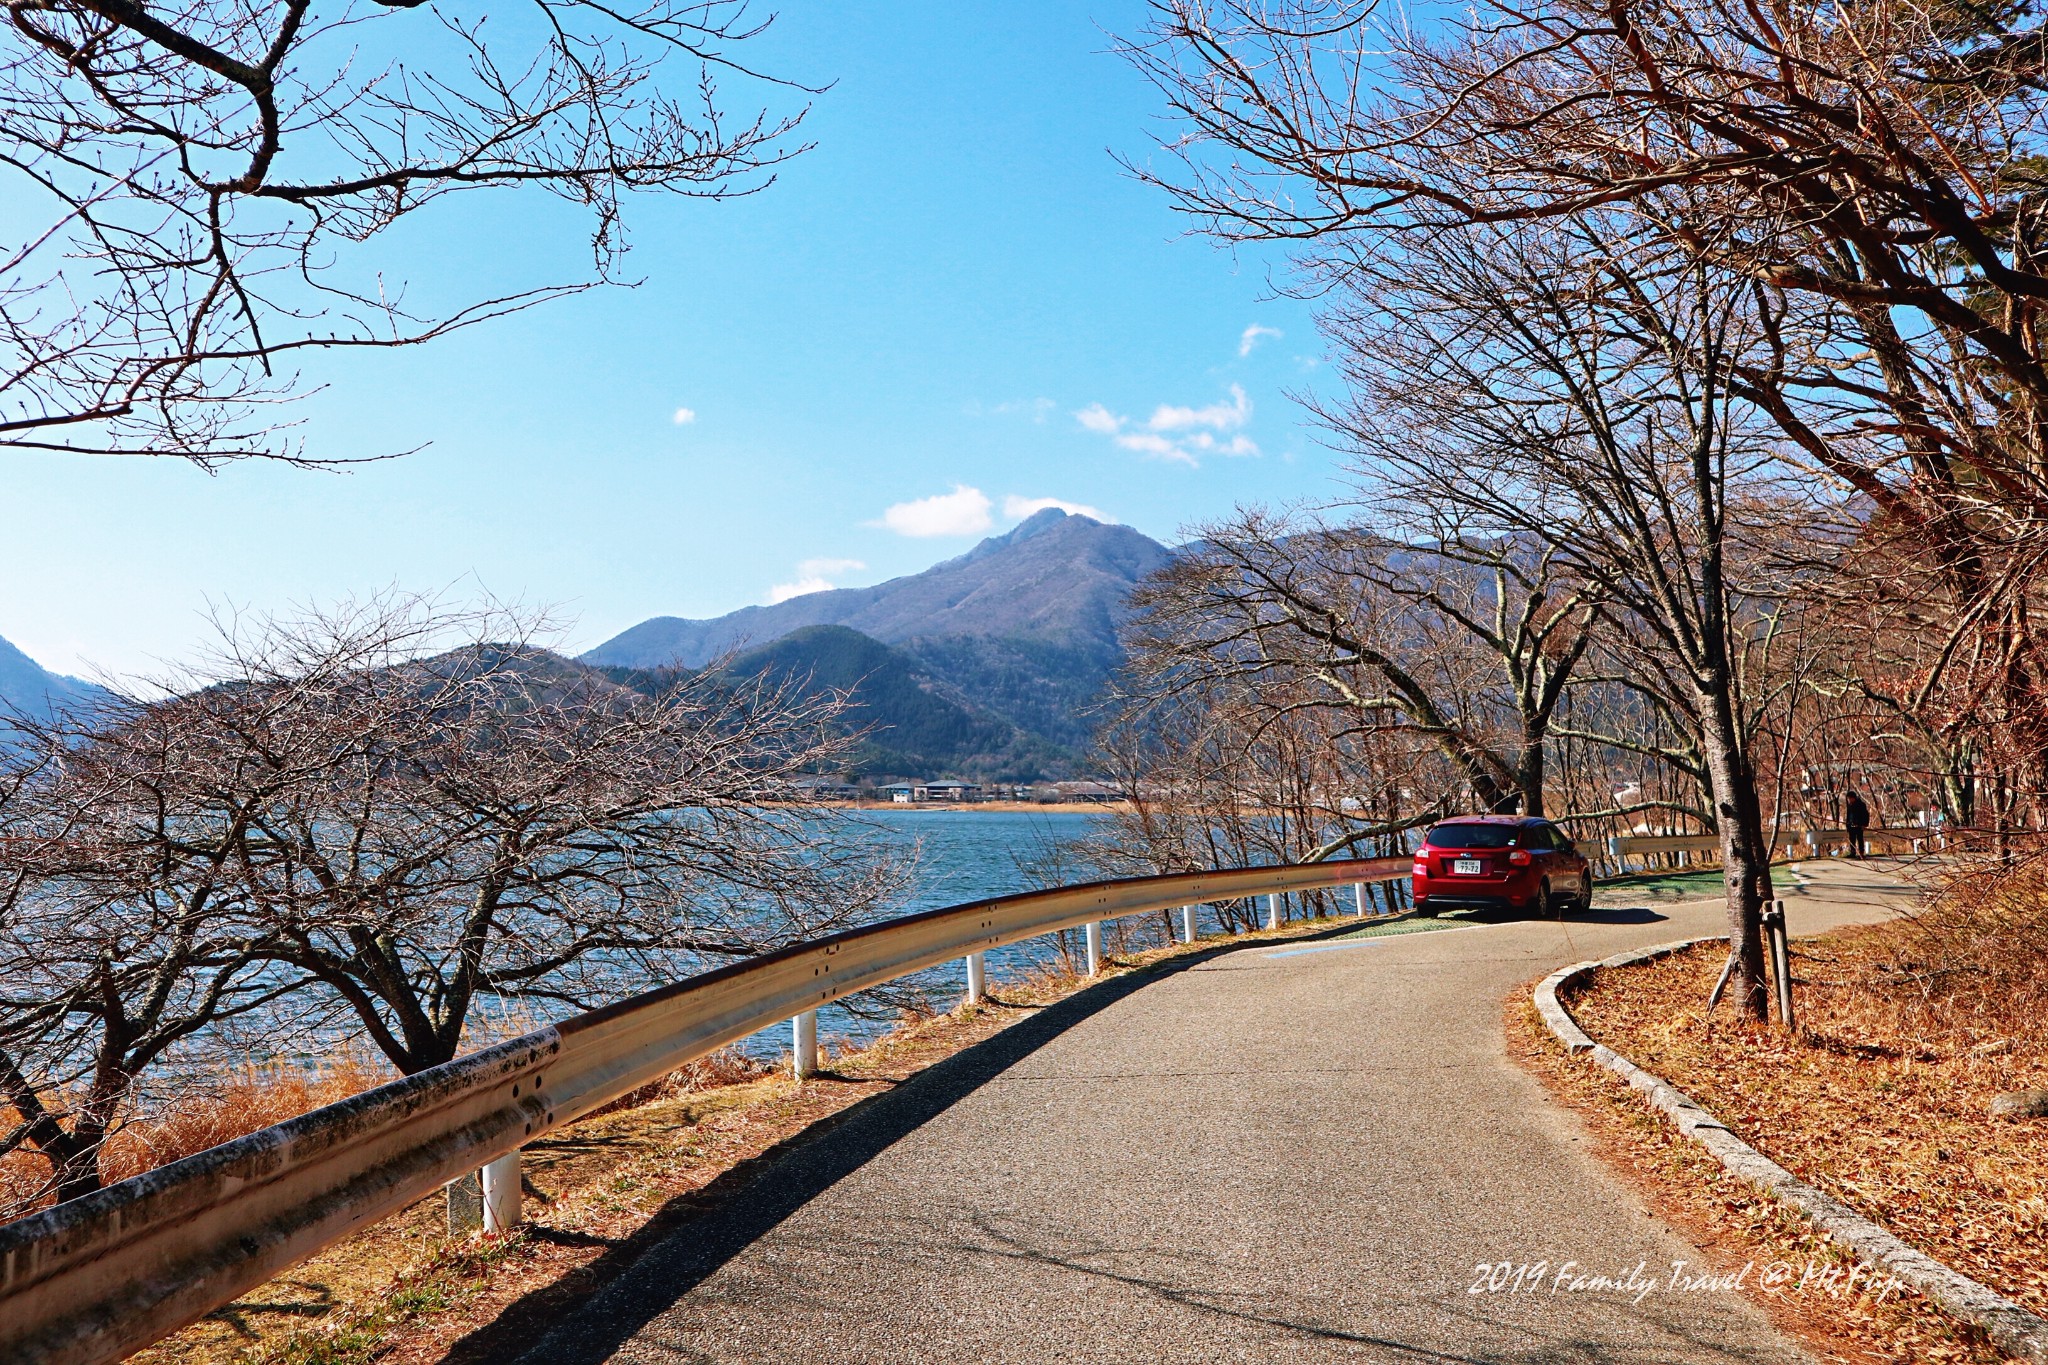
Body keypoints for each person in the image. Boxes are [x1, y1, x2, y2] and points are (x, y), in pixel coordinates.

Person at [1843, 789, 1872, 859]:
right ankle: (1853, 852)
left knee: (1860, 839)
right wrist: (1847, 824)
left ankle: (1861, 853)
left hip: (1859, 825)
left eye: (1850, 798)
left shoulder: (1861, 805)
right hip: (1851, 825)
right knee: (1852, 839)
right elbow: (1848, 815)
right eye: (1848, 799)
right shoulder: (1850, 805)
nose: (1849, 800)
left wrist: (1864, 824)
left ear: (1854, 798)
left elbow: (1866, 815)